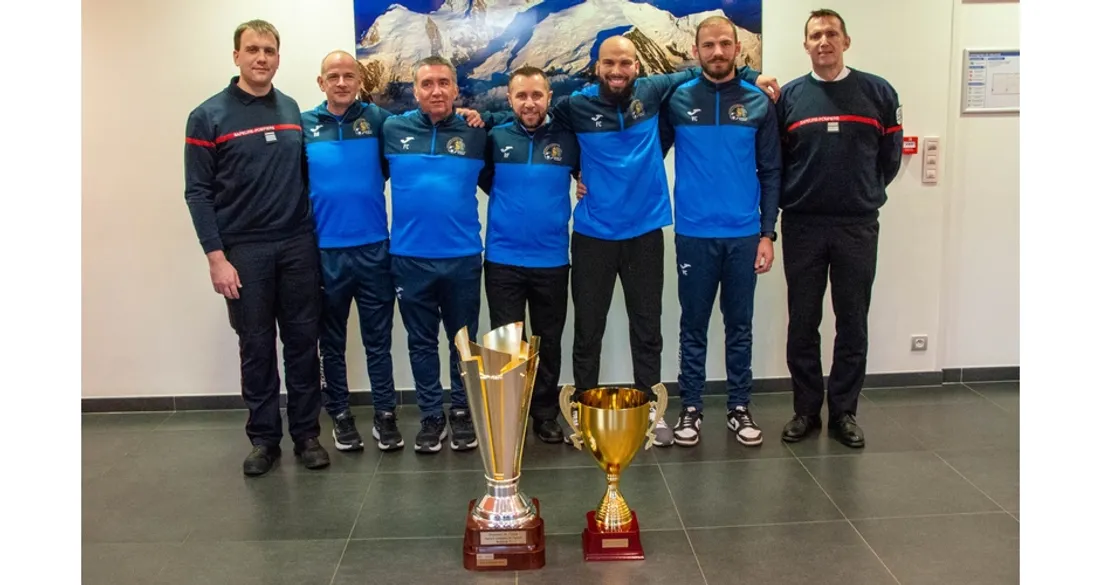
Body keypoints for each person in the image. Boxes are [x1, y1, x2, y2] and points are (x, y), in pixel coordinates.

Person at [559, 36, 778, 446]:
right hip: (593, 235)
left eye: (625, 62)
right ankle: (584, 412)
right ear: (597, 66)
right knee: (588, 329)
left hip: (646, 231)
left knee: (648, 329)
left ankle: (650, 412)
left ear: (638, 66)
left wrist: (751, 73)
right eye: (610, 63)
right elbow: (539, 128)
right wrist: (575, 172)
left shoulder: (657, 91)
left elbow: (712, 69)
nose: (618, 70)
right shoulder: (575, 104)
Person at [183, 19, 329, 476]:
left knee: (304, 343)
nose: (261, 58)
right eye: (252, 50)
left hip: (297, 246)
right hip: (244, 252)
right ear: (236, 56)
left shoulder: (290, 110)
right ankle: (264, 439)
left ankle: (306, 434)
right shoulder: (207, 116)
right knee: (257, 346)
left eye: (269, 50)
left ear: (278, 58)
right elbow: (198, 192)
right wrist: (216, 258)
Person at [776, 9, 903, 448]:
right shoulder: (789, 98)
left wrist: (862, 193)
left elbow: (888, 160)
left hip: (857, 225)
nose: (824, 41)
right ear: (806, 45)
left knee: (852, 321)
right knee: (803, 322)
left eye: (832, 34)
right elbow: (778, 163)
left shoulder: (878, 92)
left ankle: (844, 412)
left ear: (846, 41)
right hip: (803, 225)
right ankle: (806, 411)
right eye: (815, 35)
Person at [661, 16, 781, 448]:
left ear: (737, 49)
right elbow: (643, 152)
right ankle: (690, 408)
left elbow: (770, 171)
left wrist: (768, 233)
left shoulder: (757, 103)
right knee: (692, 324)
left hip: (744, 234)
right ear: (696, 52)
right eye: (708, 45)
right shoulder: (677, 100)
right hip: (693, 232)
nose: (717, 52)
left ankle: (738, 407)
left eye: (725, 44)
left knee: (740, 325)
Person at [380, 55, 488, 454]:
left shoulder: (477, 132)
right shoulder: (391, 129)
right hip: (409, 258)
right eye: (427, 84)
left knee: (463, 343)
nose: (436, 90)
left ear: (457, 89)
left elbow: (503, 178)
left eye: (444, 83)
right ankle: (430, 416)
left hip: (461, 257)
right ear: (415, 90)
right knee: (420, 342)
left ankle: (461, 412)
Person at [300, 50, 401, 452]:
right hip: (325, 254)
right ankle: (339, 414)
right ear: (321, 82)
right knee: (332, 341)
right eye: (333, 76)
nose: (342, 82)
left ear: (360, 82)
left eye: (349, 76)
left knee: (379, 339)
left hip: (375, 249)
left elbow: (401, 160)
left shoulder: (378, 122)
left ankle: (385, 415)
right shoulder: (304, 126)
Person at [477, 65, 580, 444]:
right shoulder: (494, 136)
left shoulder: (569, 139)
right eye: (521, 96)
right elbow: (486, 180)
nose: (529, 103)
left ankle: (544, 414)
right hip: (503, 259)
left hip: (552, 259)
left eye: (537, 95)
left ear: (549, 97)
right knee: (507, 344)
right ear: (509, 99)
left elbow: (588, 175)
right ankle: (510, 415)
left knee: (548, 341)